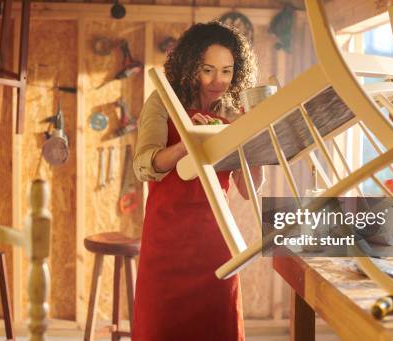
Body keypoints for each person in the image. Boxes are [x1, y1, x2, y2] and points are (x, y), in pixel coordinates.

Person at [132, 21, 263, 341]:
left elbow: (248, 190)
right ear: (191, 65)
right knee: (161, 329)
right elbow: (144, 166)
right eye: (208, 70)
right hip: (167, 241)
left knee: (218, 328)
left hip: (217, 239)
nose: (218, 81)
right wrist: (189, 142)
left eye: (227, 71)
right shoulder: (164, 101)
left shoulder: (233, 114)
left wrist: (255, 142)